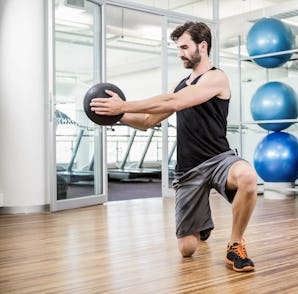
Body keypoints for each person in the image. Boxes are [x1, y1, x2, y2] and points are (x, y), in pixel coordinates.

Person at [90, 21, 257, 272]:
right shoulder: (179, 84)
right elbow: (147, 121)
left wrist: (123, 105)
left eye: (184, 47)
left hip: (219, 160)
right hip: (188, 170)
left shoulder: (216, 77)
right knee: (187, 250)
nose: (180, 53)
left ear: (203, 46)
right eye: (178, 48)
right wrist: (115, 116)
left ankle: (235, 245)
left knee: (247, 176)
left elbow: (175, 102)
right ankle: (202, 225)